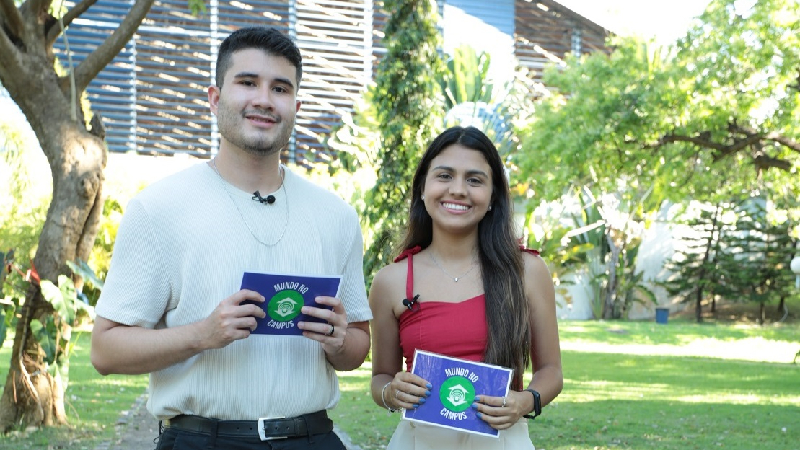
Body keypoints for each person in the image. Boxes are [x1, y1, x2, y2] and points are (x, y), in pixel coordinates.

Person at [91, 27, 372, 450]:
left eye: (279, 88)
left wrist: (338, 341)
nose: (263, 99)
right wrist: (201, 334)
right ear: (215, 98)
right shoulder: (159, 208)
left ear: (295, 106)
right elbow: (105, 350)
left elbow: (357, 348)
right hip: (202, 440)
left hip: (312, 439)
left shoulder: (336, 216)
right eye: (247, 83)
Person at [368, 126, 563, 449]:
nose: (458, 190)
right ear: (422, 188)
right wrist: (391, 392)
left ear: (492, 197)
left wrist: (525, 401)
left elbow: (551, 371)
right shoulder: (390, 281)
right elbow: (380, 379)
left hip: (502, 442)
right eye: (444, 176)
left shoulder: (527, 271)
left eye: (474, 180)